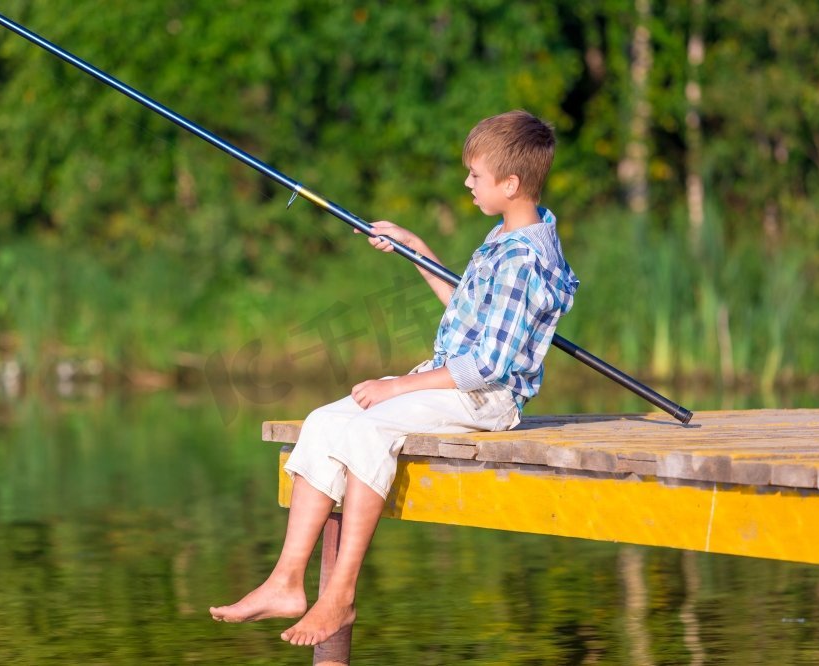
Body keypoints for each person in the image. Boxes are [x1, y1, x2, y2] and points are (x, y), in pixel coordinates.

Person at [210, 110, 579, 646]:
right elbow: (467, 316)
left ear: (510, 183)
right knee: (325, 420)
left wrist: (398, 386)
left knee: (367, 426)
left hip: (485, 399)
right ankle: (286, 582)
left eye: (475, 175)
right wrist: (418, 251)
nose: (467, 183)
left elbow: (489, 366)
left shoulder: (526, 260)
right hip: (455, 384)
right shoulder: (507, 235)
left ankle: (339, 597)